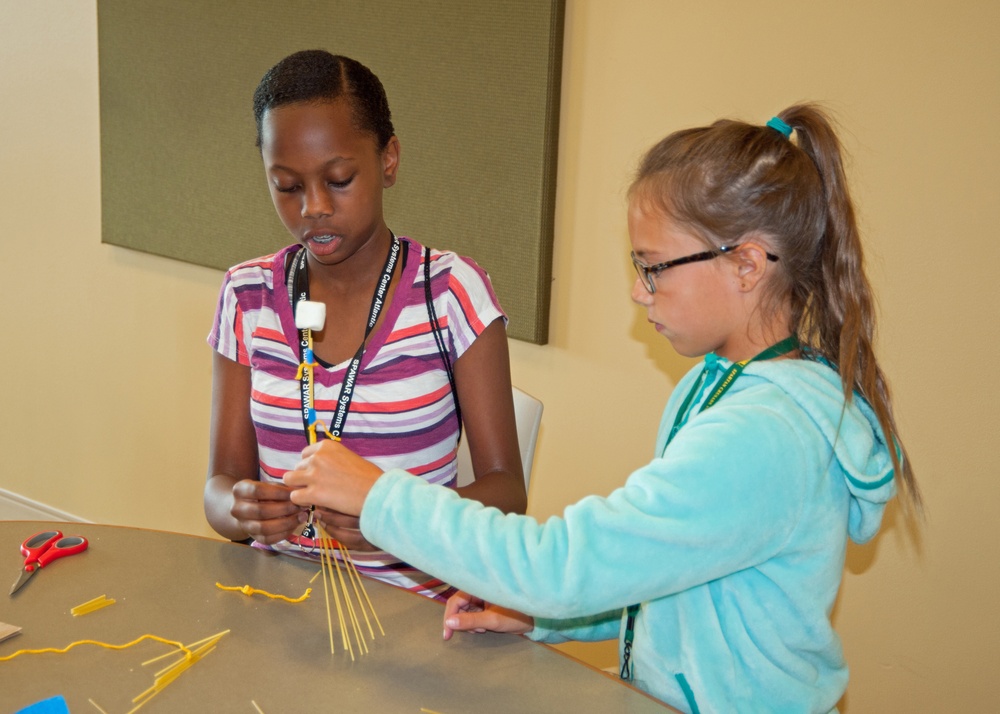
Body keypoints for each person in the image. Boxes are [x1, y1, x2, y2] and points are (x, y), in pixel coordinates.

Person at [283, 104, 921, 712]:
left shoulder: (762, 435)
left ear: (747, 264)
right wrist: (546, 619)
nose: (638, 293)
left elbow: (561, 567)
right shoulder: (724, 384)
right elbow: (672, 578)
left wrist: (380, 496)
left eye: (652, 268)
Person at [205, 50, 526, 602]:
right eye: (286, 186)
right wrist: (242, 510)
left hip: (413, 611)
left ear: (389, 160)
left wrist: (396, 521)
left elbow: (508, 492)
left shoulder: (450, 293)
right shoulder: (247, 295)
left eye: (339, 178)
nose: (314, 207)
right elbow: (219, 486)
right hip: (279, 603)